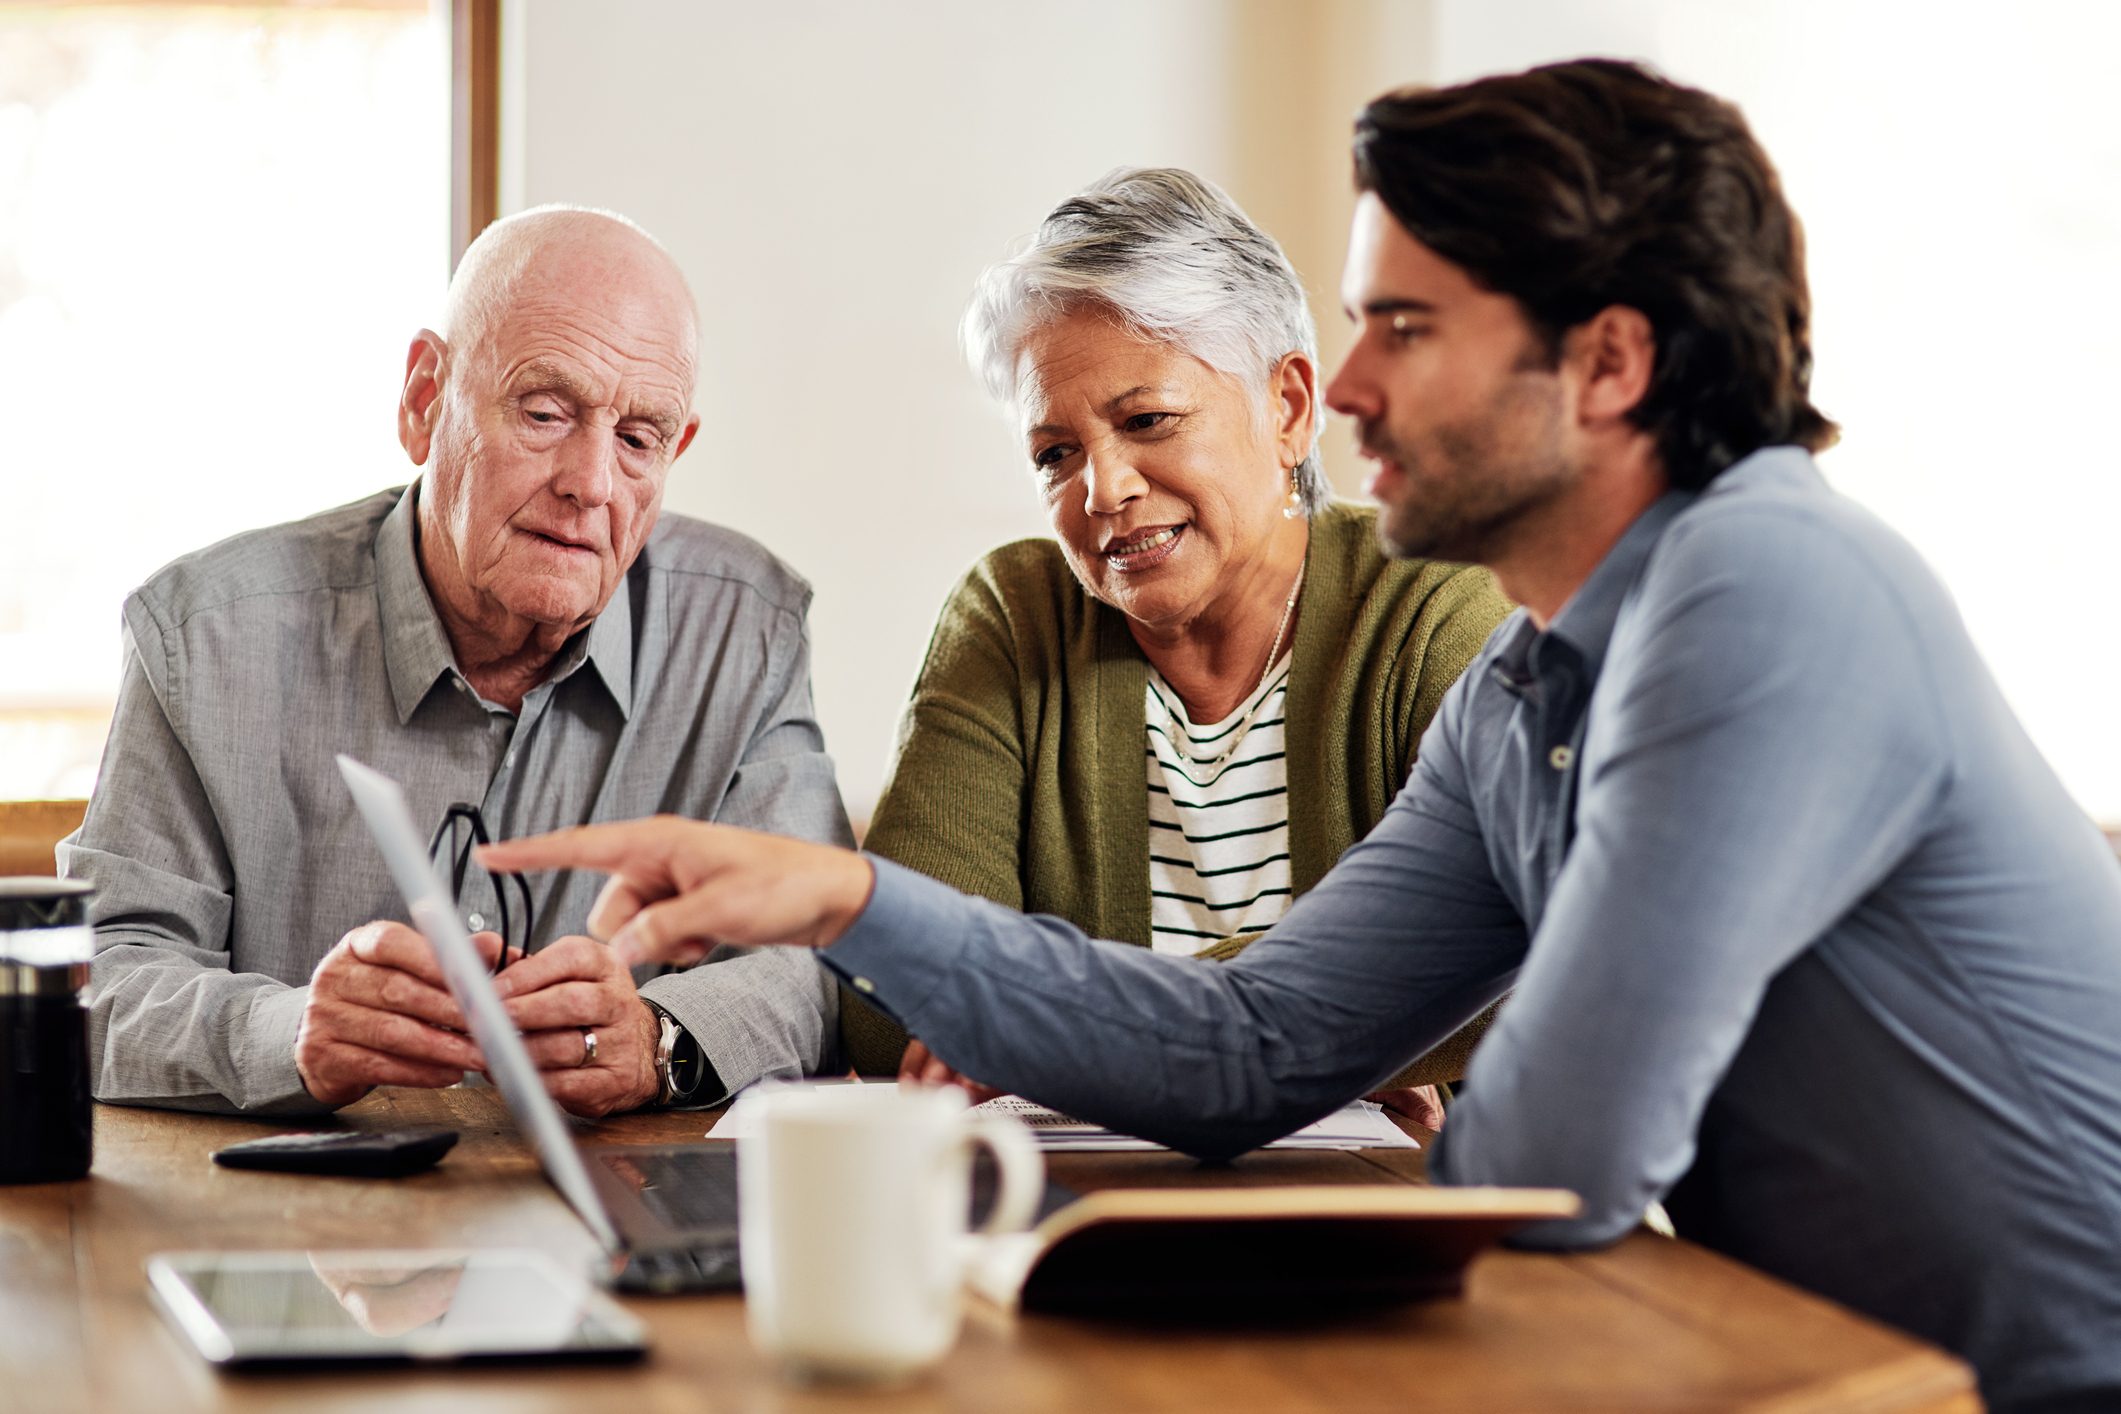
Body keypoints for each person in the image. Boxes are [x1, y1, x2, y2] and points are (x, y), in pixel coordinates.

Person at [485, 63, 2121, 1409]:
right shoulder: (1529, 684)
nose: (1339, 386)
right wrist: (838, 900)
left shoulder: (1764, 585)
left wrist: (1462, 1123)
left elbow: (1547, 1163)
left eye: (1403, 326)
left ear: (1608, 362)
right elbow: (1245, 1049)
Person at [63, 206, 851, 1118]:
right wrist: (288, 1032)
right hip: (290, 1223)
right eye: (546, 412)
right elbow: (99, 971)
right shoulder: (204, 635)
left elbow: (811, 959)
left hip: (613, 1222)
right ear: (424, 400)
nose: (591, 482)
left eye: (637, 439)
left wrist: (657, 1037)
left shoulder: (746, 630)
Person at [847, 169, 1512, 1124]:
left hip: (1388, 1213)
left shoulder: (1437, 607)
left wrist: (1047, 1026)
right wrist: (1343, 1036)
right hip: (1069, 1218)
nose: (1101, 490)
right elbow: (892, 1003)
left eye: (1145, 420)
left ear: (1287, 408)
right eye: (1054, 453)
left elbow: (1509, 953)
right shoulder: (1013, 615)